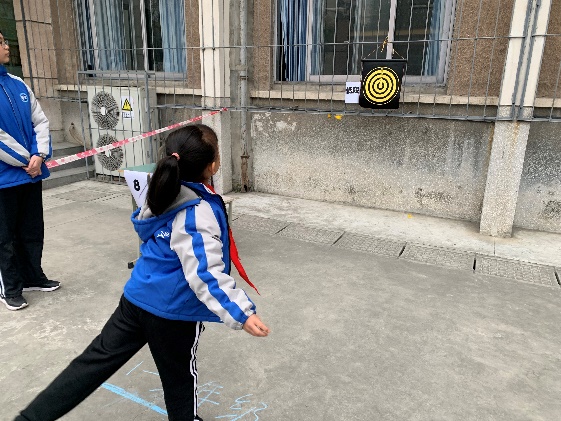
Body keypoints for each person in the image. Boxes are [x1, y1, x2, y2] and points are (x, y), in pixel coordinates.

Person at [14, 124, 271, 421]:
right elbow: (204, 272)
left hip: (135, 299)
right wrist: (242, 313)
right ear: (212, 166)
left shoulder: (161, 190)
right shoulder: (196, 210)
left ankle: (29, 418)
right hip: (171, 313)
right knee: (179, 379)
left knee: (93, 363)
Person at [0, 30, 60, 311]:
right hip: (5, 179)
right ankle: (10, 288)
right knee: (4, 238)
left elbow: (40, 121)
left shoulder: (18, 84)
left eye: (4, 41)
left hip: (29, 174)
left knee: (32, 230)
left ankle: (32, 276)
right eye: (0, 42)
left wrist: (40, 154)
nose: (6, 46)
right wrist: (29, 159)